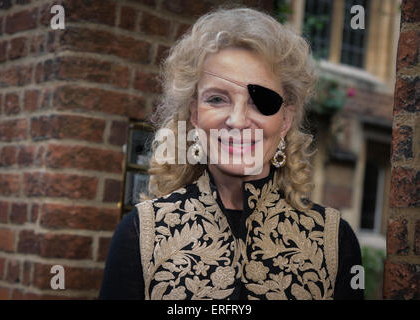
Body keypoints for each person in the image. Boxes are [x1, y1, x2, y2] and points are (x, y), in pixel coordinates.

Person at [99, 7, 364, 300]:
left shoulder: (334, 242)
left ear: (285, 120)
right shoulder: (139, 235)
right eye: (217, 99)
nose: (237, 120)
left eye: (258, 101)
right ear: (195, 115)